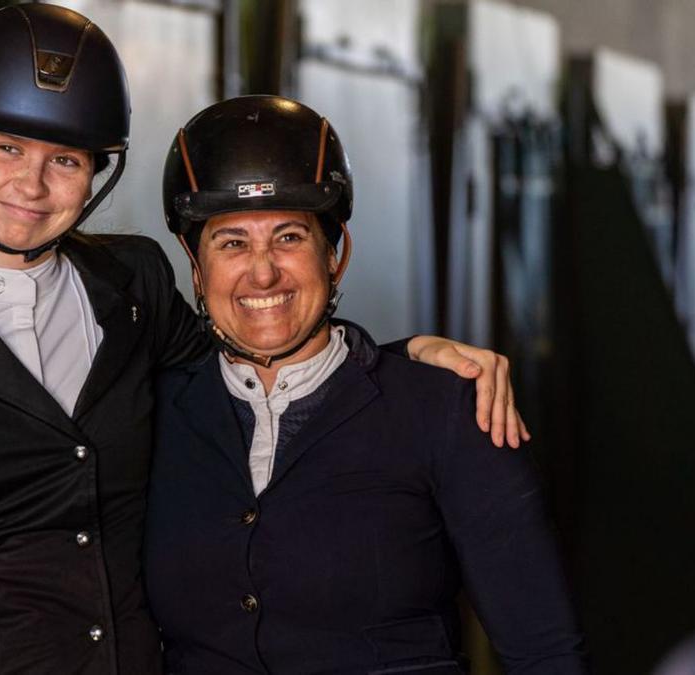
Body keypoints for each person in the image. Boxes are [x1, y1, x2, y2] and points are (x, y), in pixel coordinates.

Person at [0, 5, 527, 673]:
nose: (32, 184)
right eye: (6, 148)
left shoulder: (135, 286)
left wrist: (396, 361)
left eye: (66, 160)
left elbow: (255, 365)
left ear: (96, 176)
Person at [141, 95, 586, 673]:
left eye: (289, 237)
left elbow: (545, 651)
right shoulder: (154, 414)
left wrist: (402, 363)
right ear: (196, 268)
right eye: (232, 243)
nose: (263, 271)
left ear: (334, 255)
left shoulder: (449, 412)